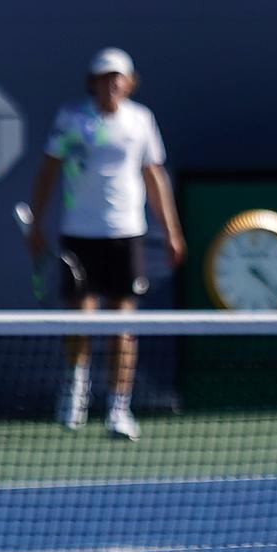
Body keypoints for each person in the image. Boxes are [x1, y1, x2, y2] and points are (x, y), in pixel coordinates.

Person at [24, 47, 185, 442]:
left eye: (118, 77)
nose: (111, 83)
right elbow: (48, 171)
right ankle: (75, 394)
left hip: (127, 233)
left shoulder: (141, 120)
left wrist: (172, 231)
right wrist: (37, 223)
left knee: (122, 326)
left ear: (129, 82)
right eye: (104, 77)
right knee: (80, 320)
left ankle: (118, 408)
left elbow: (155, 177)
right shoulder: (71, 119)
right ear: (92, 82)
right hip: (79, 234)